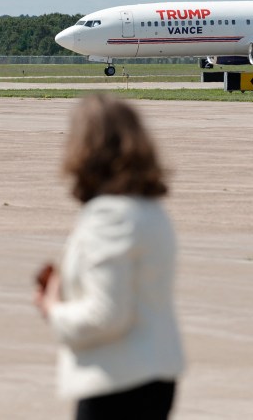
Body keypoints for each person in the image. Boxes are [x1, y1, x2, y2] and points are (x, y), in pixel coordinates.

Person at [35, 93, 185, 419]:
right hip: (152, 375)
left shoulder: (110, 216)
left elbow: (106, 315)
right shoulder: (149, 210)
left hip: (117, 380)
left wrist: (53, 307)